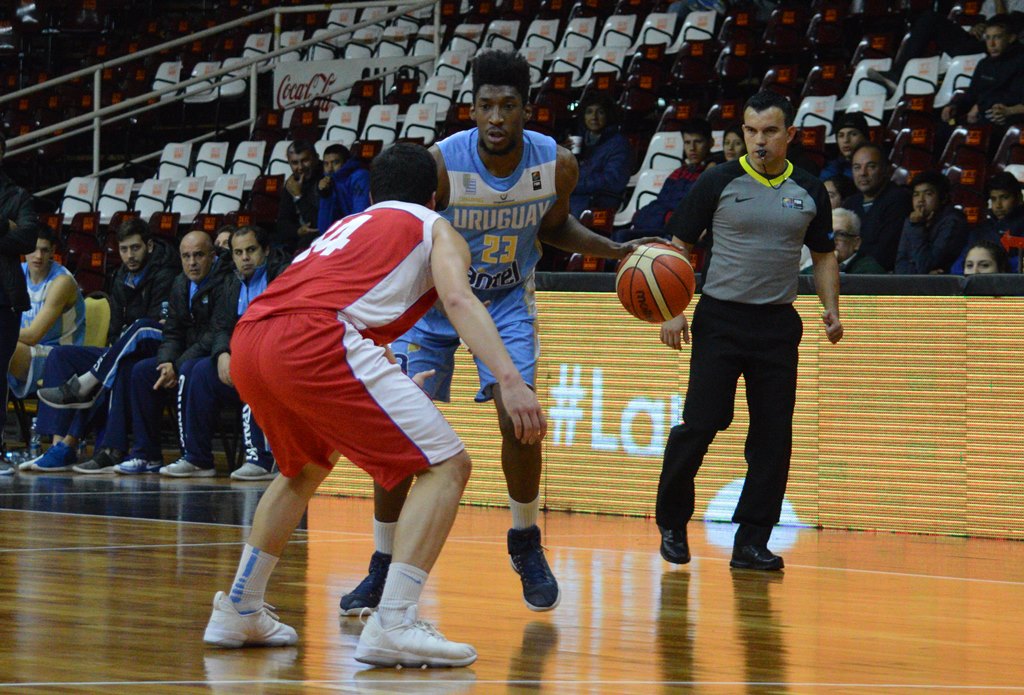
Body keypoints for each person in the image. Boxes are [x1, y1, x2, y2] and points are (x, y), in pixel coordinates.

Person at [202, 143, 546, 668]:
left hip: (253, 339)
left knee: (304, 468)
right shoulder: (435, 226)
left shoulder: (346, 226)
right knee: (448, 464)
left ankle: (240, 608)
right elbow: (458, 300)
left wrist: (385, 372)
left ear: (371, 192)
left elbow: (338, 300)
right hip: (316, 340)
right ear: (436, 195)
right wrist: (510, 378)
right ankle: (396, 621)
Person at [340, 49, 656, 617]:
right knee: (399, 435)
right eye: (485, 105)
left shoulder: (556, 164)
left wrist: (612, 250)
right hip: (434, 304)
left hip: (508, 299)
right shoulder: (441, 163)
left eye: (508, 106)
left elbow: (555, 227)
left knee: (522, 420)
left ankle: (525, 540)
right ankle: (382, 564)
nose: (496, 117)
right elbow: (405, 235)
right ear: (472, 108)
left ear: (525, 110)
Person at [656, 90, 844, 572]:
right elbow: (678, 244)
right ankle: (672, 521)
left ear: (790, 135)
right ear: (742, 132)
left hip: (778, 325)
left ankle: (751, 543)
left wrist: (831, 308)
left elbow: (823, 254)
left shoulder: (809, 190)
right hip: (720, 318)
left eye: (770, 131)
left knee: (773, 437)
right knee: (701, 423)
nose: (759, 141)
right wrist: (672, 310)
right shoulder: (717, 180)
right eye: (752, 131)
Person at [29, 218, 176, 473]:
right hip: (122, 349)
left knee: (136, 333)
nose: (129, 255)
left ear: (149, 246)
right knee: (61, 356)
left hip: (156, 346)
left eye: (135, 248)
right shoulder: (120, 276)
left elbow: (158, 324)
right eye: (124, 249)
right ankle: (58, 445)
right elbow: (116, 326)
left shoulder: (166, 271)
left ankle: (76, 430)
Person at [176, 225, 287, 481]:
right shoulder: (230, 282)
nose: (244, 258)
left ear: (266, 250)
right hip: (238, 360)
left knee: (252, 369)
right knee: (197, 370)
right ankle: (197, 458)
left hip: (274, 362)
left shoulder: (280, 276)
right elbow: (221, 326)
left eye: (251, 250)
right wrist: (223, 354)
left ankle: (263, 458)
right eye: (238, 252)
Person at [113, 230, 227, 475]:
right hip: (185, 357)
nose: (192, 262)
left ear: (212, 255)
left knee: (189, 370)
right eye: (186, 256)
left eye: (198, 255)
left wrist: (176, 364)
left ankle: (196, 458)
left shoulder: (224, 280)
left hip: (212, 357)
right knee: (143, 370)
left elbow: (214, 334)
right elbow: (172, 331)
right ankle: (147, 454)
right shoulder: (180, 283)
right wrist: (166, 361)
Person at [0, 131, 41, 475]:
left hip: (4, 299)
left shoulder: (17, 195)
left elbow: (27, 238)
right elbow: (12, 236)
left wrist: (9, 228)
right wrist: (3, 227)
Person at [7, 227, 85, 407]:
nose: (38, 256)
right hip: (27, 349)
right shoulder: (16, 272)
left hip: (60, 355)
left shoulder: (61, 282)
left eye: (44, 250)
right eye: (33, 249)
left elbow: (34, 335)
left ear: (53, 251)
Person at [624, 118, 715, 241]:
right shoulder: (678, 173)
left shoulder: (712, 173)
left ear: (711, 143)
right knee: (621, 236)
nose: (692, 148)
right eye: (687, 143)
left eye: (698, 142)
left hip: (679, 233)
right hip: (662, 226)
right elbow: (661, 202)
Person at [941, 14, 1024, 132]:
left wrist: (980, 106)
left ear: (1011, 38)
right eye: (988, 38)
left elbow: (1014, 96)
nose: (991, 44)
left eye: (997, 37)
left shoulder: (1020, 62)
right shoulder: (984, 63)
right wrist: (955, 107)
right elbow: (972, 94)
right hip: (980, 114)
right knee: (944, 127)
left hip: (1004, 117)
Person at [843, 142, 913, 272]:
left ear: (886, 169)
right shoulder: (850, 203)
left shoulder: (899, 199)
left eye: (871, 166)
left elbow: (886, 251)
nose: (863, 173)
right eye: (857, 167)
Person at [568, 93, 632, 218]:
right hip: (579, 193)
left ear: (608, 115)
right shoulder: (581, 140)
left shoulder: (619, 143)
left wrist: (575, 185)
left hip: (602, 198)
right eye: (589, 112)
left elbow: (612, 181)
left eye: (600, 112)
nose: (594, 117)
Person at [895, 171, 969, 275]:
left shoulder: (953, 222)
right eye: (916, 195)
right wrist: (923, 274)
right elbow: (899, 267)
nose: (920, 200)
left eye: (928, 194)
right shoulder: (912, 220)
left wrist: (917, 227)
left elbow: (926, 264)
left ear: (943, 198)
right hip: (915, 285)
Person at [952, 171, 1024, 273]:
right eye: (994, 199)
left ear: (1019, 198)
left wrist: (995, 265)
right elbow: (957, 267)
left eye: (1004, 197)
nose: (998, 205)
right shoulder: (981, 231)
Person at [272, 140, 321, 253]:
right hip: (299, 238)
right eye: (294, 163)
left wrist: (299, 196)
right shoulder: (292, 183)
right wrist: (298, 231)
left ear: (316, 158)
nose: (300, 167)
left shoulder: (326, 178)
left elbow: (317, 222)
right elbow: (282, 222)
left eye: (305, 160)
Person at [802, 208, 884, 274]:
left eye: (841, 234)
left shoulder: (869, 270)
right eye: (828, 234)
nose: (832, 241)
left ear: (856, 243)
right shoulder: (816, 266)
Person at [317, 143, 371, 233]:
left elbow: (360, 218)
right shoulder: (329, 182)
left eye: (335, 163)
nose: (330, 169)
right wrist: (325, 196)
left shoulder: (360, 177)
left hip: (362, 232)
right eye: (326, 164)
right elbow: (324, 229)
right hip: (344, 233)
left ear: (346, 162)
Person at [820, 112, 869, 181]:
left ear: (865, 137)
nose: (846, 140)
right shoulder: (832, 168)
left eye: (853, 134)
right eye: (841, 135)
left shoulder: (875, 167)